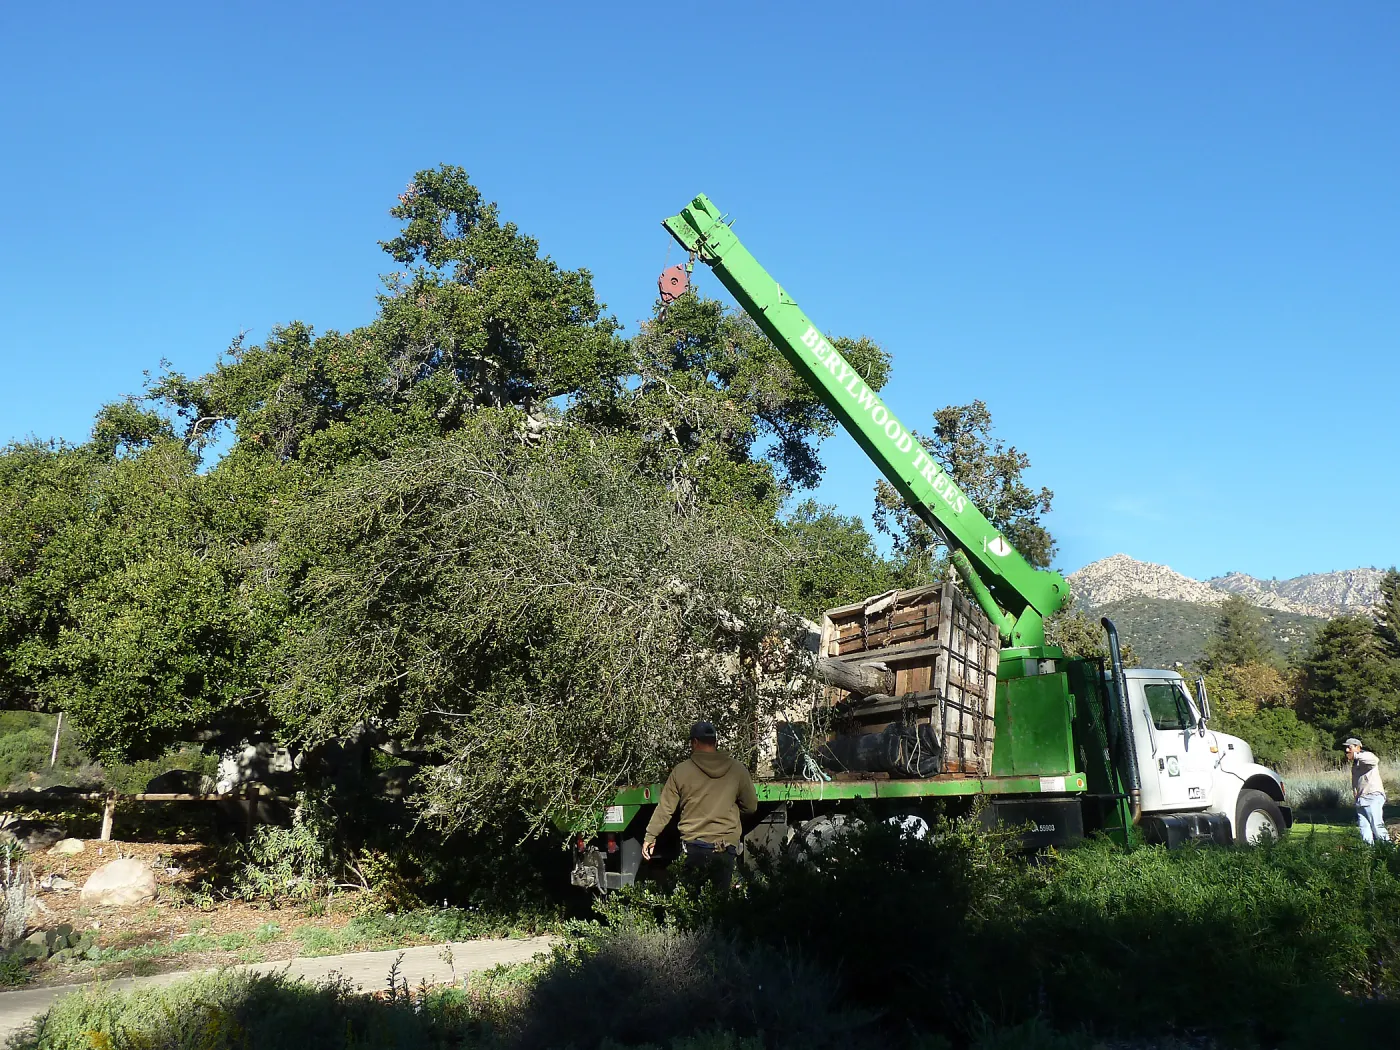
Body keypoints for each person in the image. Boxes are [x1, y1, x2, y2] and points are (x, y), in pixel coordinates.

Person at [641, 721, 758, 891]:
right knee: (720, 900)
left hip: (693, 848)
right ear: (715, 742)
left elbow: (665, 809)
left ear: (694, 742)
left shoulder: (681, 771)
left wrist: (650, 837)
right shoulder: (737, 769)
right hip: (725, 847)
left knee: (694, 903)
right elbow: (751, 806)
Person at [1344, 737, 1390, 844]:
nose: (1347, 750)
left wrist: (1356, 755)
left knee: (1377, 826)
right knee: (1364, 829)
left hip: (1372, 796)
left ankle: (1390, 852)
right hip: (1361, 799)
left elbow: (1375, 761)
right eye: (1346, 748)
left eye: (1349, 747)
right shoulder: (1356, 763)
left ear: (1357, 747)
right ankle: (1368, 853)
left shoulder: (1366, 756)